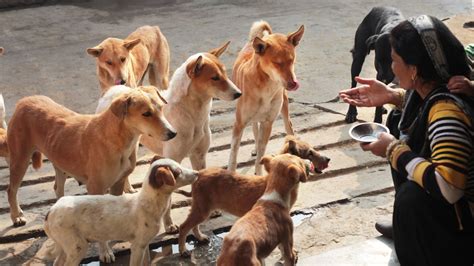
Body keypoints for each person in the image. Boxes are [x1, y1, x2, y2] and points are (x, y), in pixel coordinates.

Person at [340, 15, 474, 265]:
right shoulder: (440, 86)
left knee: (411, 200)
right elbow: (420, 106)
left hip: (464, 220)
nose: (391, 68)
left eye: (394, 60)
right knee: (397, 118)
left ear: (414, 70)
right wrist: (392, 95)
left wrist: (393, 149)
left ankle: (424, 238)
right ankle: (406, 226)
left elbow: (449, 187)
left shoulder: (447, 112)